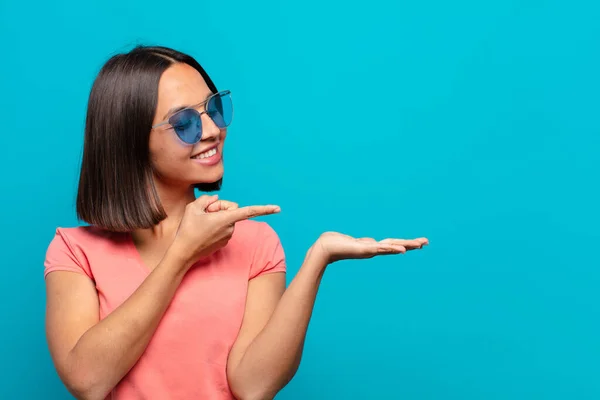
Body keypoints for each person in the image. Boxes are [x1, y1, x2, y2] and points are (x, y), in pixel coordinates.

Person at [43, 45, 429, 400]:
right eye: (185, 123)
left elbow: (253, 385)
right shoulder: (76, 252)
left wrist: (318, 258)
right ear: (130, 140)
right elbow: (88, 379)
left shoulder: (255, 243)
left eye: (213, 109)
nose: (212, 130)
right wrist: (181, 256)